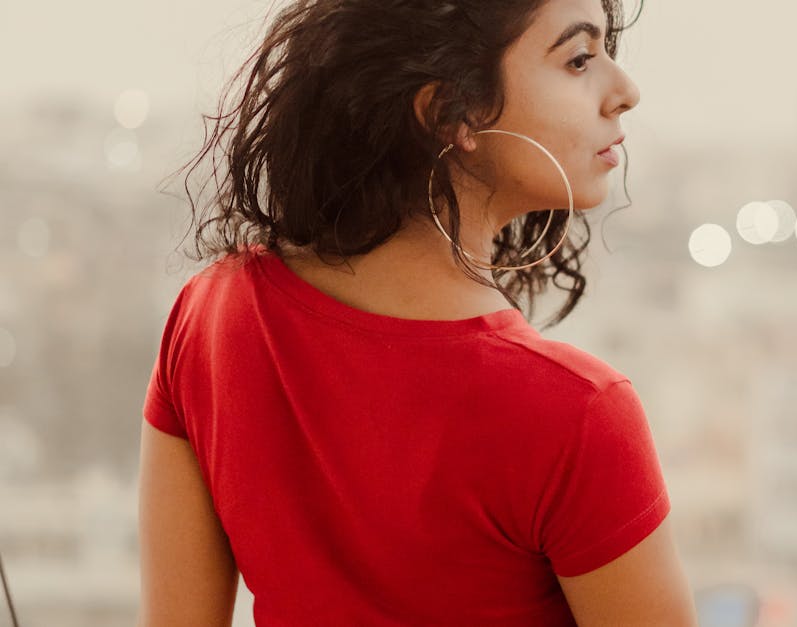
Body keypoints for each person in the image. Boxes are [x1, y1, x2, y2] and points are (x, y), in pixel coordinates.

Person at [136, 0, 698, 625]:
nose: (625, 91)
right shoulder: (578, 415)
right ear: (449, 113)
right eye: (578, 59)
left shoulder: (214, 312)